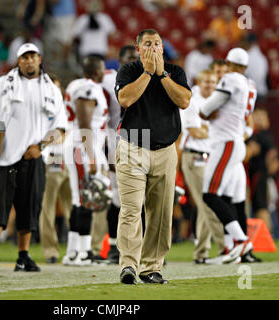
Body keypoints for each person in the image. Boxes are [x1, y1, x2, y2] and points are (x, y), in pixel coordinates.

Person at [0, 43, 67, 272]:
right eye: (24, 57)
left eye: (33, 56)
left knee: (29, 206)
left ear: (39, 59)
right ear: (18, 61)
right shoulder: (3, 84)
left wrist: (40, 146)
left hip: (33, 156)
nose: (29, 61)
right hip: (4, 154)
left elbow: (61, 128)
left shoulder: (51, 89)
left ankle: (23, 255)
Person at [115, 29, 191, 284]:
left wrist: (162, 76)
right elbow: (125, 99)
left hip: (165, 148)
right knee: (131, 209)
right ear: (138, 49)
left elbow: (184, 101)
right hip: (133, 145)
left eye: (157, 43)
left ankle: (151, 267)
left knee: (160, 213)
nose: (154, 48)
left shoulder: (175, 71)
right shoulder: (128, 71)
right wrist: (148, 73)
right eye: (148, 44)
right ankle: (128, 265)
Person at [200, 48, 254, 264]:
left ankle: (241, 241)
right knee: (224, 197)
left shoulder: (231, 80)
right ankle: (231, 248)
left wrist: (207, 110)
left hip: (225, 143)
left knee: (209, 194)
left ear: (230, 64)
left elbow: (206, 109)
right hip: (232, 141)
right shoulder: (249, 84)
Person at [61, 55, 110, 266]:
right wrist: (91, 154)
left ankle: (72, 252)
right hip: (83, 145)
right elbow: (83, 121)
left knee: (78, 198)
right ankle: (84, 251)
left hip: (79, 144)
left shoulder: (75, 83)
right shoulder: (89, 87)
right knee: (87, 197)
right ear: (97, 70)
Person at [179, 69, 225, 264]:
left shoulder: (214, 103)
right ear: (199, 81)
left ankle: (201, 252)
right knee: (207, 203)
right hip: (194, 156)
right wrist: (213, 130)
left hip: (209, 157)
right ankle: (227, 245)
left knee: (205, 203)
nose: (209, 85)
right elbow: (195, 132)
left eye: (213, 82)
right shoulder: (192, 101)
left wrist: (208, 129)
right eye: (206, 81)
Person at [100, 45, 138, 264]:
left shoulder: (148, 78)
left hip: (143, 139)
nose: (134, 62)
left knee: (141, 199)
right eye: (130, 58)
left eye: (137, 58)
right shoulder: (108, 80)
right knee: (117, 198)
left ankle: (142, 246)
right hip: (117, 140)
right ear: (121, 60)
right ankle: (115, 247)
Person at [39, 74, 71, 264]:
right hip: (52, 158)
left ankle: (77, 247)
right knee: (48, 206)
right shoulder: (42, 109)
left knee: (73, 205)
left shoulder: (67, 107)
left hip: (70, 160)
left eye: (57, 86)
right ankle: (50, 250)